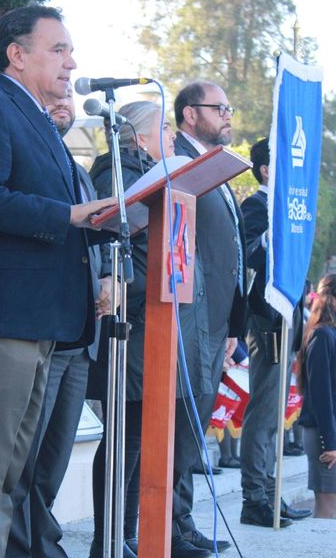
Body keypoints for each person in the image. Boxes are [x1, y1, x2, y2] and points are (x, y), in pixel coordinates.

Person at [0, 5, 115, 558]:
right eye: (58, 49)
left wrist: (109, 219)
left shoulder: (39, 120)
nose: (72, 62)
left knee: (11, 478)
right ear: (17, 55)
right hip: (1, 316)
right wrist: (72, 217)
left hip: (40, 320)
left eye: (70, 50)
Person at [88, 100, 199, 558]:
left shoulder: (157, 174)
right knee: (124, 438)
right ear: (141, 134)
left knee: (137, 437)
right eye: (166, 127)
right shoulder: (116, 172)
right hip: (127, 323)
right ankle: (110, 539)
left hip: (153, 318)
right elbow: (110, 238)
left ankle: (127, 536)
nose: (173, 135)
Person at [6, 87, 114, 557]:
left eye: (68, 98)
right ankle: (23, 548)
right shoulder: (30, 163)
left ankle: (40, 541)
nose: (63, 101)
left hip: (80, 335)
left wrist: (110, 274)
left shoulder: (78, 169)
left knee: (52, 461)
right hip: (42, 330)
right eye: (52, 98)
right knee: (22, 460)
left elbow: (100, 228)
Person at [172, 80, 247, 556]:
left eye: (228, 107)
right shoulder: (178, 163)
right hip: (183, 323)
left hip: (216, 325)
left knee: (191, 431)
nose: (227, 116)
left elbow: (229, 254)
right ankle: (167, 527)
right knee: (177, 428)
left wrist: (234, 328)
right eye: (218, 108)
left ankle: (180, 522)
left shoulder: (215, 169)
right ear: (189, 114)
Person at [238, 137, 311, 528]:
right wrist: (274, 232)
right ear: (266, 170)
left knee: (274, 413)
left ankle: (269, 491)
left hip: (287, 317)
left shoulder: (287, 207)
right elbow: (250, 253)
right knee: (264, 413)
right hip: (266, 319)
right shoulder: (255, 206)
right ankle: (255, 497)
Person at [297, 274, 336, 519]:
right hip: (327, 430)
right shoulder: (323, 335)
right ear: (331, 300)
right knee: (328, 504)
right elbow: (321, 393)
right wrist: (330, 441)